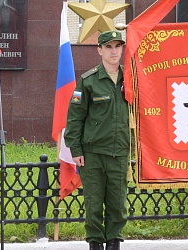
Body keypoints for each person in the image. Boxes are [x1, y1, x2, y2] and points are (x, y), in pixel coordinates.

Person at [65, 30, 130, 250]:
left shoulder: (130, 79)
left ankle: (113, 242)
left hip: (119, 152)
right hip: (92, 154)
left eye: (118, 46)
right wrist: (75, 148)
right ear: (99, 50)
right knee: (93, 203)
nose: (114, 51)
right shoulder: (88, 81)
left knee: (117, 203)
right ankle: (95, 242)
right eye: (109, 47)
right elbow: (75, 117)